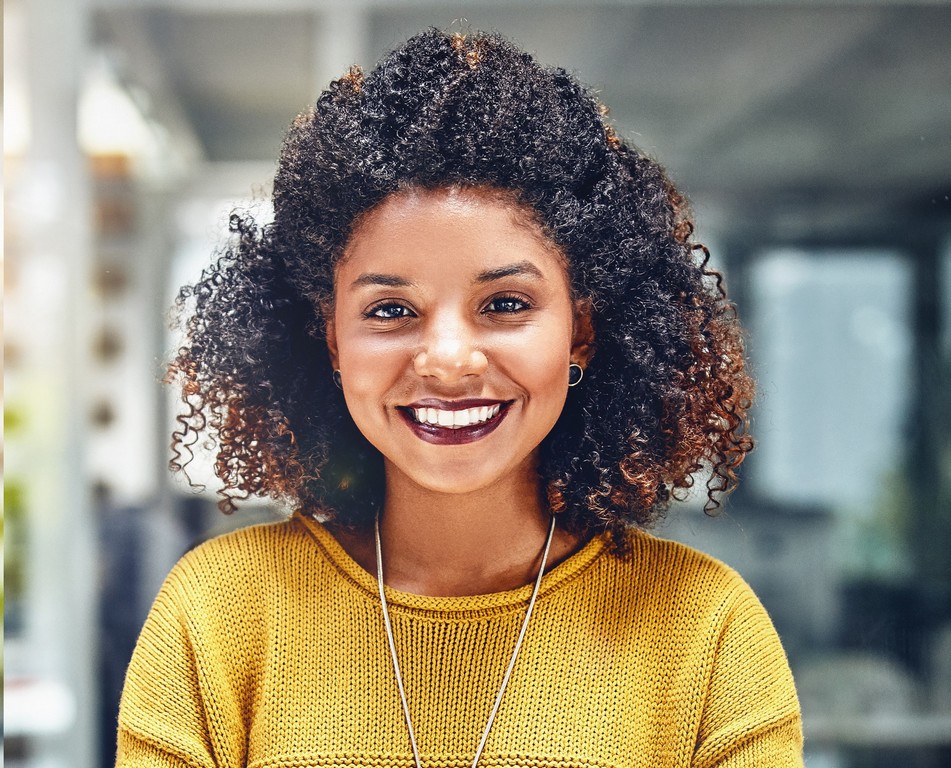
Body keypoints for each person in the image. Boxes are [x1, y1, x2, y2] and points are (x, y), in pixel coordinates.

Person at [116, 28, 803, 768]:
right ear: (329, 339)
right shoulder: (219, 614)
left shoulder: (704, 629)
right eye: (389, 310)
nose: (447, 361)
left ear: (581, 330)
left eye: (505, 304)